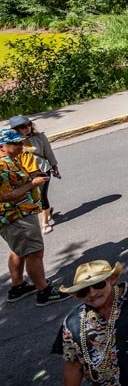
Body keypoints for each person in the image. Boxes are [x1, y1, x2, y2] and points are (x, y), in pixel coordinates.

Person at [55, 260, 128, 385]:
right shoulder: (73, 323)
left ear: (112, 279)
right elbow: (73, 365)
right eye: (84, 291)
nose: (92, 293)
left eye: (98, 284)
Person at [0, 129, 69, 306]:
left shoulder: (11, 161)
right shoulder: (1, 166)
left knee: (19, 250)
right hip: (17, 215)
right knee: (34, 252)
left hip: (17, 214)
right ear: (2, 147)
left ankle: (18, 287)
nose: (21, 145)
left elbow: (15, 182)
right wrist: (33, 184)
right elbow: (5, 196)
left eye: (21, 142)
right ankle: (44, 292)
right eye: (16, 143)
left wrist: (32, 176)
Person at [8, 114, 60, 233]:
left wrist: (54, 166)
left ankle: (45, 223)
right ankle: (46, 211)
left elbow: (49, 152)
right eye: (22, 127)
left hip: (42, 170)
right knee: (32, 198)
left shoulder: (40, 137)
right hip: (23, 174)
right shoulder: (11, 143)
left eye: (28, 125)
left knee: (42, 196)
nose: (27, 128)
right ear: (15, 130)